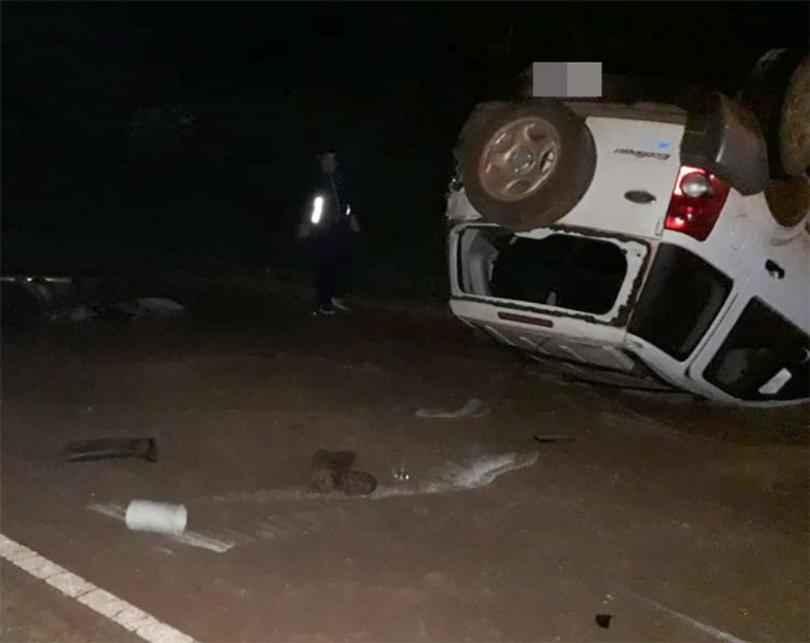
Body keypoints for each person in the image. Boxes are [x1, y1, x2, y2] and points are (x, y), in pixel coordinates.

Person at [297, 151, 361, 316]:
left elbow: (348, 200)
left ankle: (335, 295)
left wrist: (352, 218)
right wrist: (306, 223)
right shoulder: (316, 180)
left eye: (332, 159)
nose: (329, 162)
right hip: (321, 226)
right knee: (324, 262)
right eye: (326, 159)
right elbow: (309, 203)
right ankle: (323, 301)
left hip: (339, 225)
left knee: (341, 260)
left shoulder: (340, 178)